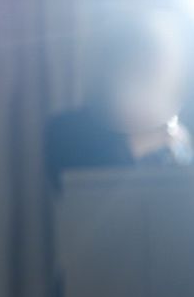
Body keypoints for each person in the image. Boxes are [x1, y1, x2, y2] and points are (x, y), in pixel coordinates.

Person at [45, 10, 193, 189]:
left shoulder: (176, 136)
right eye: (140, 72)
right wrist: (146, 141)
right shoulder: (69, 129)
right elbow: (77, 186)